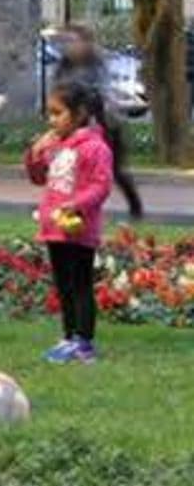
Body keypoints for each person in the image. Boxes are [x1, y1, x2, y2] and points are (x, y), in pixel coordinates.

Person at [24, 81, 113, 364]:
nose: (51, 120)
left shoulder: (95, 148)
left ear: (80, 113)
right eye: (49, 114)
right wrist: (36, 153)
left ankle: (84, 342)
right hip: (54, 227)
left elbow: (101, 186)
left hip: (78, 228)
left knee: (80, 284)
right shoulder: (55, 145)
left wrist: (77, 204)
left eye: (57, 113)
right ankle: (68, 336)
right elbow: (38, 178)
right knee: (63, 285)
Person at [53, 23, 143, 220]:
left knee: (115, 168)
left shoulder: (97, 60)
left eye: (72, 41)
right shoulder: (64, 64)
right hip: (76, 121)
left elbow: (100, 88)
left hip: (103, 119)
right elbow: (59, 90)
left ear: (85, 42)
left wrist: (79, 93)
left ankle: (135, 207)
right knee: (74, 168)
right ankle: (74, 208)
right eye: (64, 42)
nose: (68, 46)